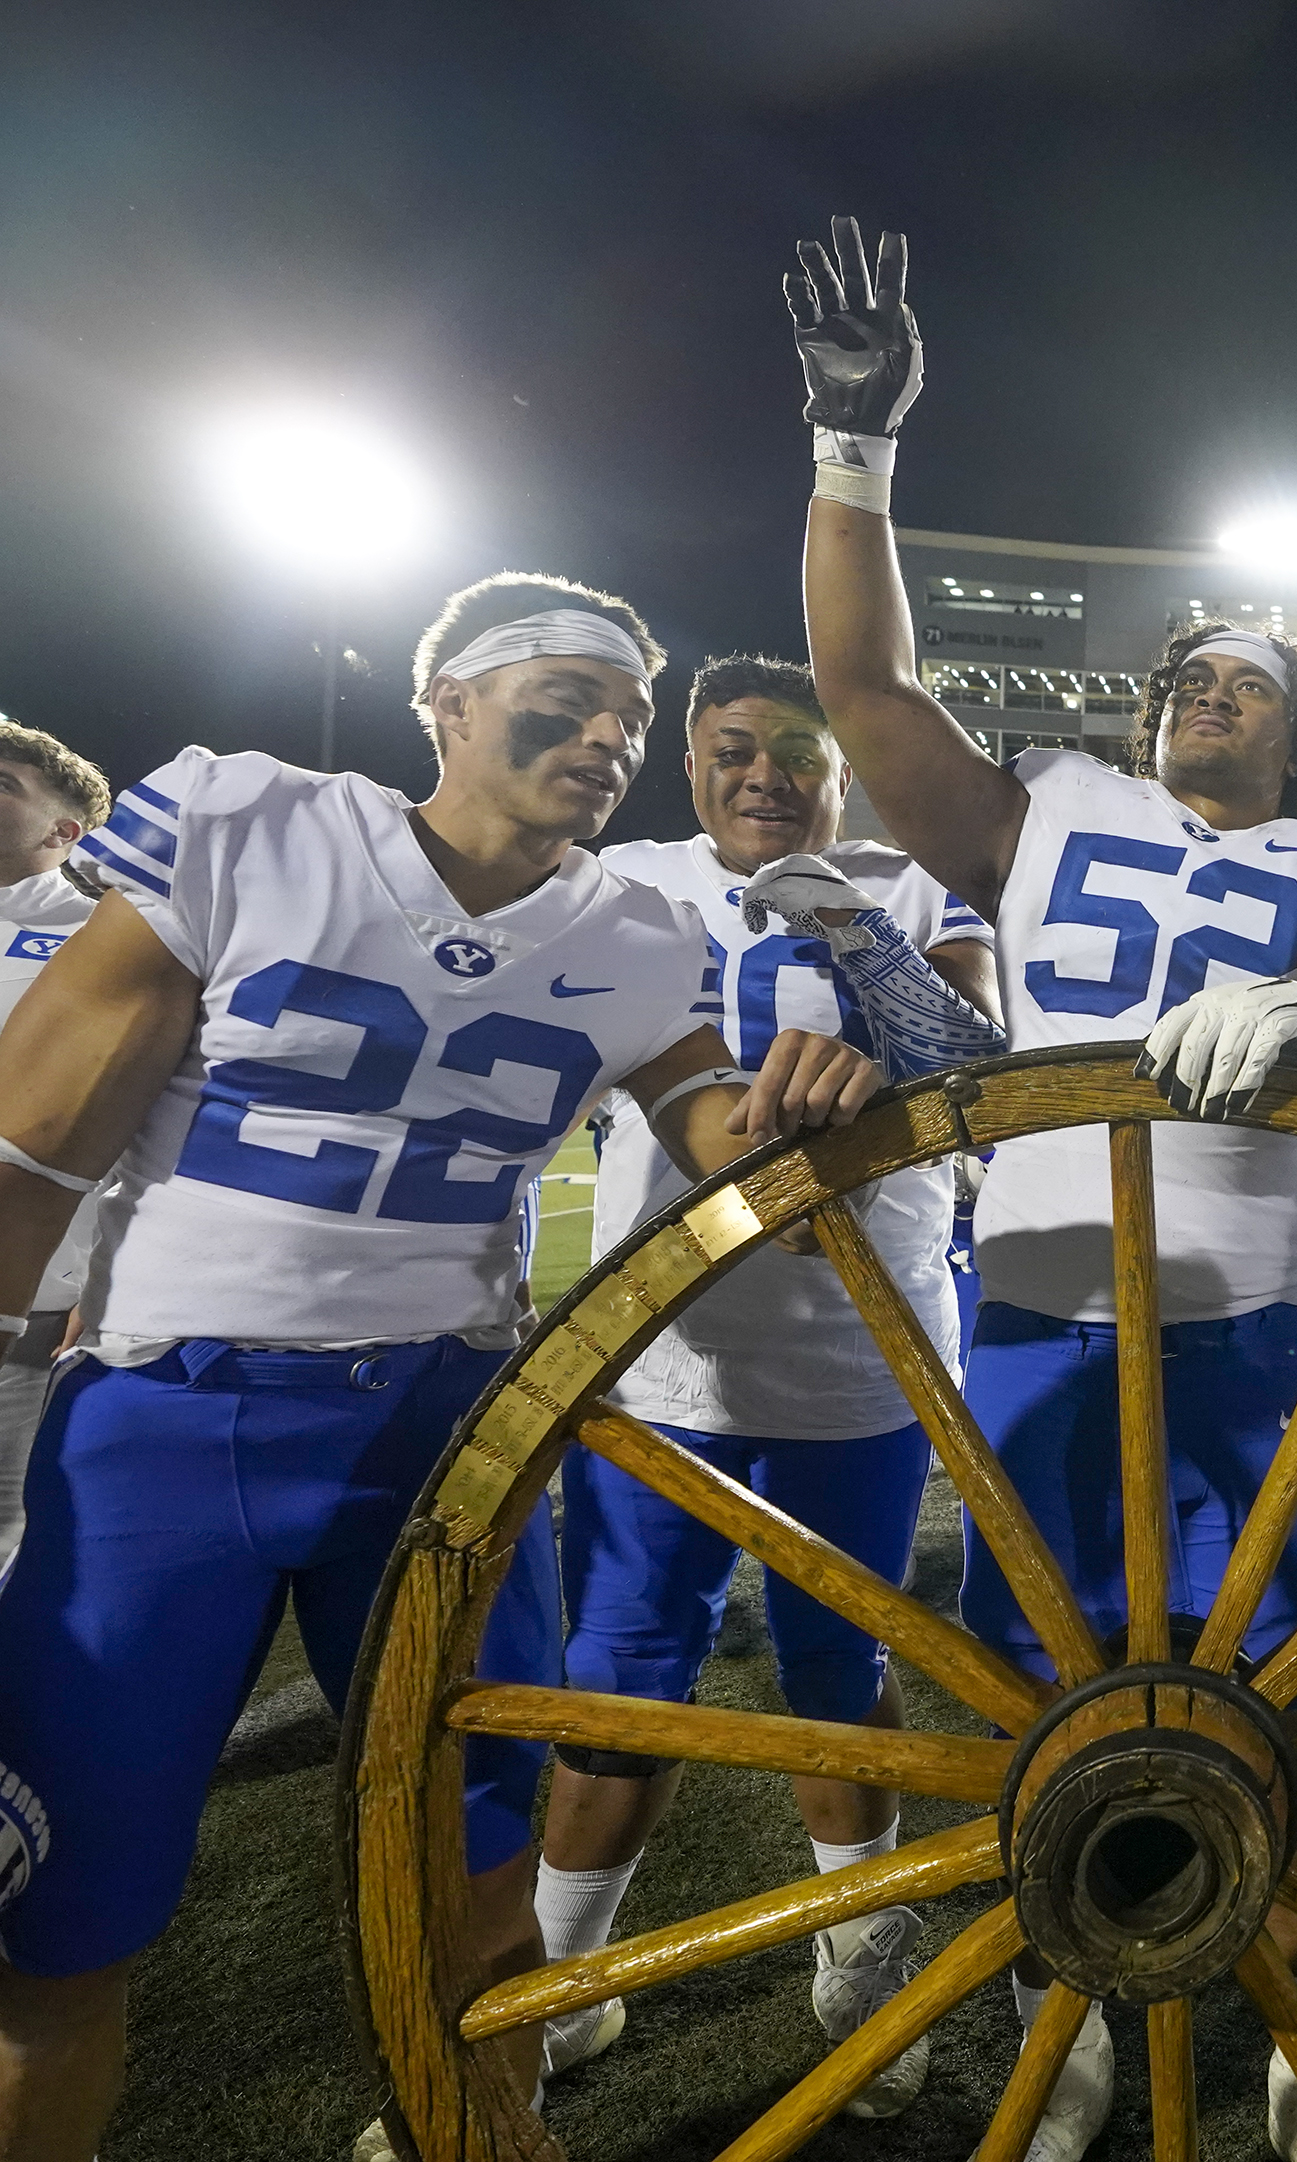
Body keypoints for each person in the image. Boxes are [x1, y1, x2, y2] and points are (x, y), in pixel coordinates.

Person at [0, 574, 880, 2162]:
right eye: (568, 695)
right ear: (448, 702)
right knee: (58, 1927)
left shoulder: (634, 930)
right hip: (167, 1421)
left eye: (628, 714)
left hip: (441, 1430)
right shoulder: (252, 822)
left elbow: (707, 1129)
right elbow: (28, 1148)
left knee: (481, 1894)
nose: (611, 733)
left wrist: (796, 1109)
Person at [786, 216, 1297, 2162]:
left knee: (1295, 1722)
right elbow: (860, 684)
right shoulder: (1053, 805)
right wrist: (851, 452)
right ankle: (1076, 2032)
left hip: (1253, 1332)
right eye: (1184, 673)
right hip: (1053, 1308)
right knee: (1050, 1725)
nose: (1197, 690)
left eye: (1238, 676)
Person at [528, 654, 1001, 2114]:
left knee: (837, 1676)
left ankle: (856, 1954)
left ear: (839, 766)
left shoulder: (912, 884)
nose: (766, 775)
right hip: (666, 1352)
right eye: (735, 748)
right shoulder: (618, 883)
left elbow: (972, 1069)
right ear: (690, 762)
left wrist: (847, 920)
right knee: (616, 1680)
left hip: (857, 1353)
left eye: (797, 751)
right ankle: (561, 1981)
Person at [0, 724, 110, 1574]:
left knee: (18, 1544)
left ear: (62, 832)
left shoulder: (104, 937)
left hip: (32, 1310)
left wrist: (106, 1279)